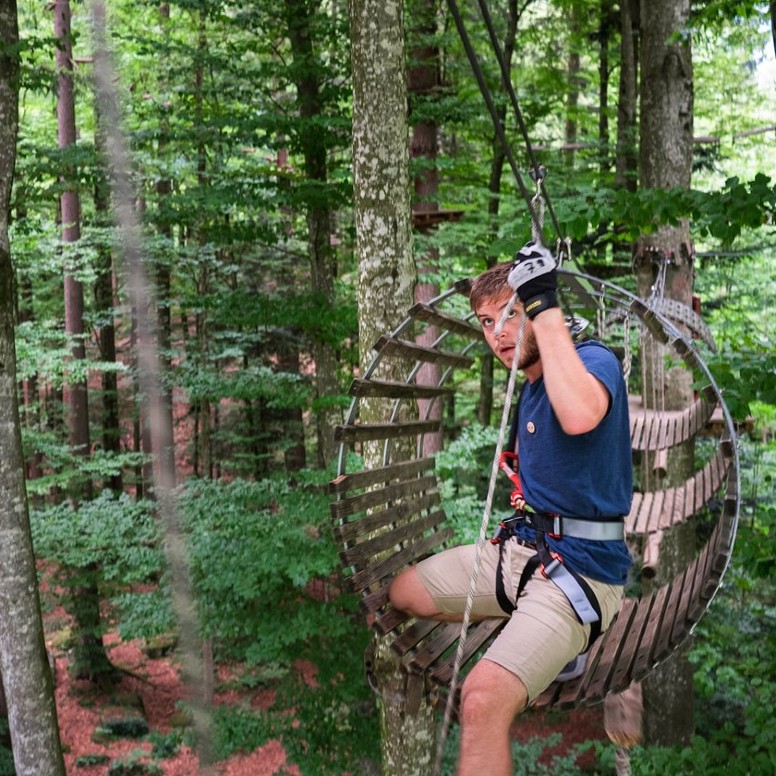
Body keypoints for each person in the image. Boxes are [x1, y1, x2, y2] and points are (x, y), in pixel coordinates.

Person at [389, 241, 633, 776]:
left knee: (480, 700)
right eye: (485, 321)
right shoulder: (528, 385)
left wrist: (544, 304)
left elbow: (581, 416)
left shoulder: (592, 362)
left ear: (539, 313)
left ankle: (552, 640)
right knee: (400, 593)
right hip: (524, 553)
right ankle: (535, 636)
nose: (498, 332)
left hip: (583, 574)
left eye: (511, 315)